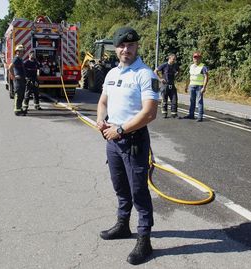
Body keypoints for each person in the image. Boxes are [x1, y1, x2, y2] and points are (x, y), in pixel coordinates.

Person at [96, 26, 160, 265]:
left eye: (130, 45)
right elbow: (103, 101)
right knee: (120, 187)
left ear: (136, 47)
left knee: (138, 192)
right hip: (112, 141)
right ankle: (123, 225)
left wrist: (120, 129)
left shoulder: (145, 74)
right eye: (122, 45)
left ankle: (144, 239)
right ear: (116, 48)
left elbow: (150, 113)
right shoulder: (112, 73)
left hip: (133, 141)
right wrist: (101, 119)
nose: (126, 49)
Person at [182, 52, 209, 121]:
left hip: (199, 86)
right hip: (192, 86)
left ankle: (200, 116)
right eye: (195, 58)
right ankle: (191, 115)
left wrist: (204, 87)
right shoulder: (191, 66)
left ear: (200, 59)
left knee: (199, 101)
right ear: (193, 58)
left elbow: (206, 77)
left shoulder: (203, 67)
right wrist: (186, 86)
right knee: (192, 101)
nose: (196, 59)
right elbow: (189, 77)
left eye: (197, 58)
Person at [154, 54, 179, 118]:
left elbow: (178, 71)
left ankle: (174, 114)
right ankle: (164, 113)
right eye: (173, 59)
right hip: (165, 85)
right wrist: (160, 79)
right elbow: (155, 71)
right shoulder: (164, 65)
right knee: (164, 100)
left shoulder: (175, 65)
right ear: (169, 59)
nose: (174, 60)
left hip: (172, 84)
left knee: (174, 99)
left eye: (175, 59)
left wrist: (177, 74)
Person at [8, 44, 27, 116]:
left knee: (21, 95)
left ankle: (20, 108)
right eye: (21, 51)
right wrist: (14, 76)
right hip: (18, 80)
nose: (23, 53)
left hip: (22, 80)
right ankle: (17, 110)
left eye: (23, 51)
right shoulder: (16, 59)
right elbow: (10, 67)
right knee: (18, 95)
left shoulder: (20, 59)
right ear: (17, 52)